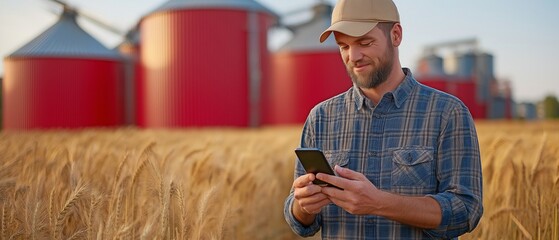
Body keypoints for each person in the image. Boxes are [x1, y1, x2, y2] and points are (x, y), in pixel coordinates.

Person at [283, 0, 483, 239]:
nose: (353, 56)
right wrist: (302, 206)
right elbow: (299, 220)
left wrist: (379, 203)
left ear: (396, 35)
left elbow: (466, 211)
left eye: (364, 43)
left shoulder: (447, 112)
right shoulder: (321, 117)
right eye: (343, 46)